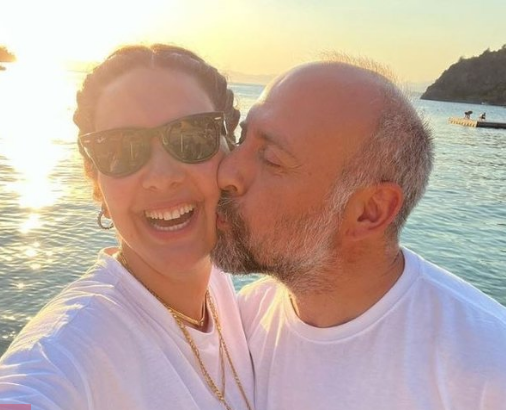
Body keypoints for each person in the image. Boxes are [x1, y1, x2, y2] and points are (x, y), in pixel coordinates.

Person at [0, 44, 254, 410]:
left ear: (231, 153)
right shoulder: (69, 347)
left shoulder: (221, 287)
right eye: (121, 149)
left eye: (192, 137)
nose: (161, 177)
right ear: (97, 185)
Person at [212, 60, 506, 410]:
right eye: (241, 138)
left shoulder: (486, 371)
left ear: (370, 212)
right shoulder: (243, 322)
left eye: (271, 159)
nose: (226, 172)